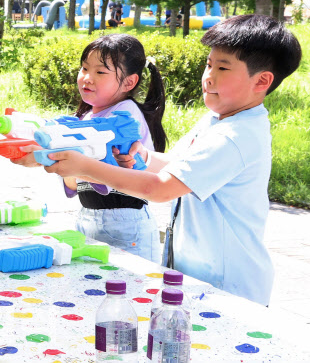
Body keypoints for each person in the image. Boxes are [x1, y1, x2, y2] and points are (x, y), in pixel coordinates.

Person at [42, 15, 302, 306]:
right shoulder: (217, 120)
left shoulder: (235, 136)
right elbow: (178, 168)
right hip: (197, 276)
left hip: (228, 286)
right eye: (208, 64)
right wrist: (144, 156)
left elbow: (160, 189)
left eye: (223, 68)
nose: (209, 76)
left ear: (262, 81)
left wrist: (83, 166)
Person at [14, 34, 167, 263]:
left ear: (129, 82)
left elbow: (105, 169)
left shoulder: (125, 115)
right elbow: (74, 184)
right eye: (84, 68)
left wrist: (50, 155)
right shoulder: (85, 118)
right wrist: (51, 158)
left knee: (131, 291)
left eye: (100, 72)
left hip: (126, 222)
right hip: (89, 217)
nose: (87, 77)